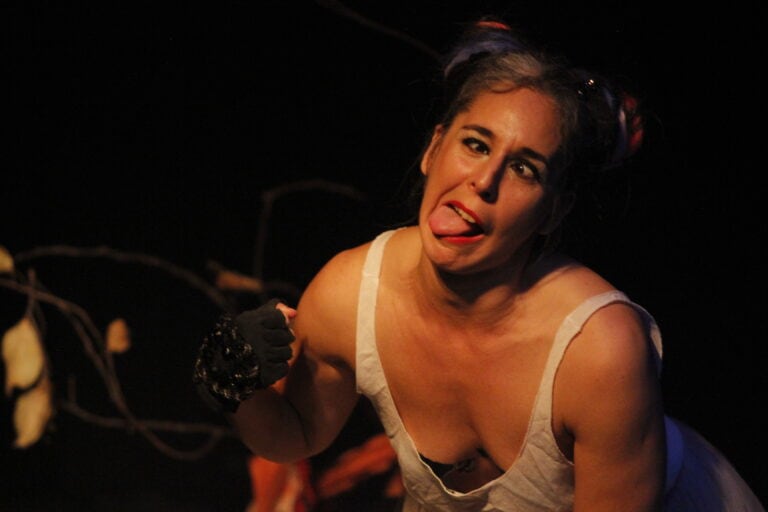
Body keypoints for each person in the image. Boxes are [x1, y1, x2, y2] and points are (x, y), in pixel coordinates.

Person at [193, 16, 765, 511]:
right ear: (433, 148)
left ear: (552, 211)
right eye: (475, 144)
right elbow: (294, 436)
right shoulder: (350, 292)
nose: (483, 181)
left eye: (524, 169)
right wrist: (234, 383)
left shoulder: (599, 351)